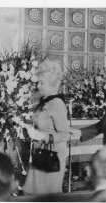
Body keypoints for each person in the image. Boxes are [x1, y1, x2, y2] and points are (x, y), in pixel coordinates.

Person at [23, 58, 70, 195]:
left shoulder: (57, 104)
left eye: (41, 83)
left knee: (46, 198)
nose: (38, 86)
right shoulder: (45, 102)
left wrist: (41, 136)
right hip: (41, 154)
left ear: (51, 85)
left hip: (52, 158)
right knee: (33, 194)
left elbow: (65, 135)